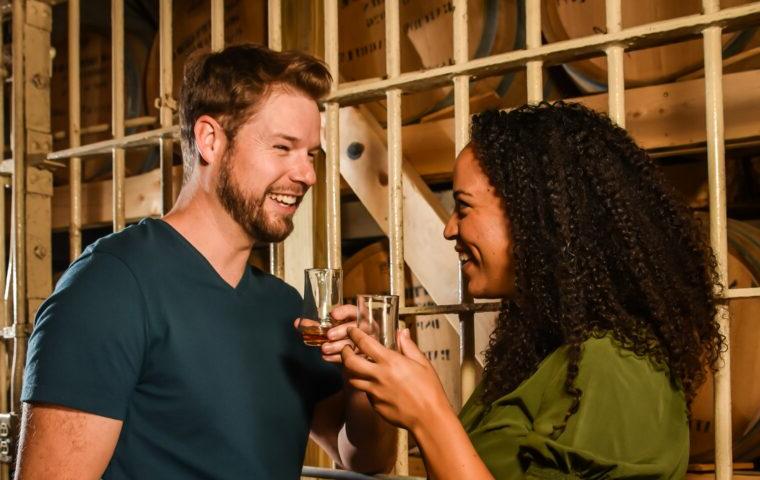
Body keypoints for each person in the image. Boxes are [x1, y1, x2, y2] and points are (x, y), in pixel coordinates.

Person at [15, 44, 396, 479]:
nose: (307, 173)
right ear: (210, 140)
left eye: (310, 153)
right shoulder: (109, 288)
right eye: (282, 147)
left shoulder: (285, 307)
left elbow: (364, 458)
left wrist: (367, 376)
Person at [333, 102, 724, 479]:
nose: (449, 229)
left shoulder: (619, 365)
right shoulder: (539, 352)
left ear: (535, 218)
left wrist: (428, 414)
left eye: (464, 207)